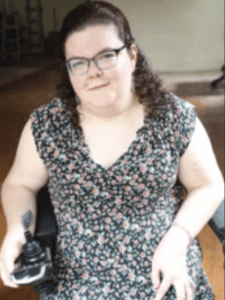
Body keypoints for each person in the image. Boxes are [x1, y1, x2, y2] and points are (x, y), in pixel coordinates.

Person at [0, 1, 224, 299]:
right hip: (77, 280)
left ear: (132, 56)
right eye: (78, 62)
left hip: (166, 269)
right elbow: (20, 182)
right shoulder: (46, 125)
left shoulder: (174, 117)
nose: (92, 72)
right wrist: (17, 228)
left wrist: (177, 241)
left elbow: (209, 185)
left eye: (105, 56)